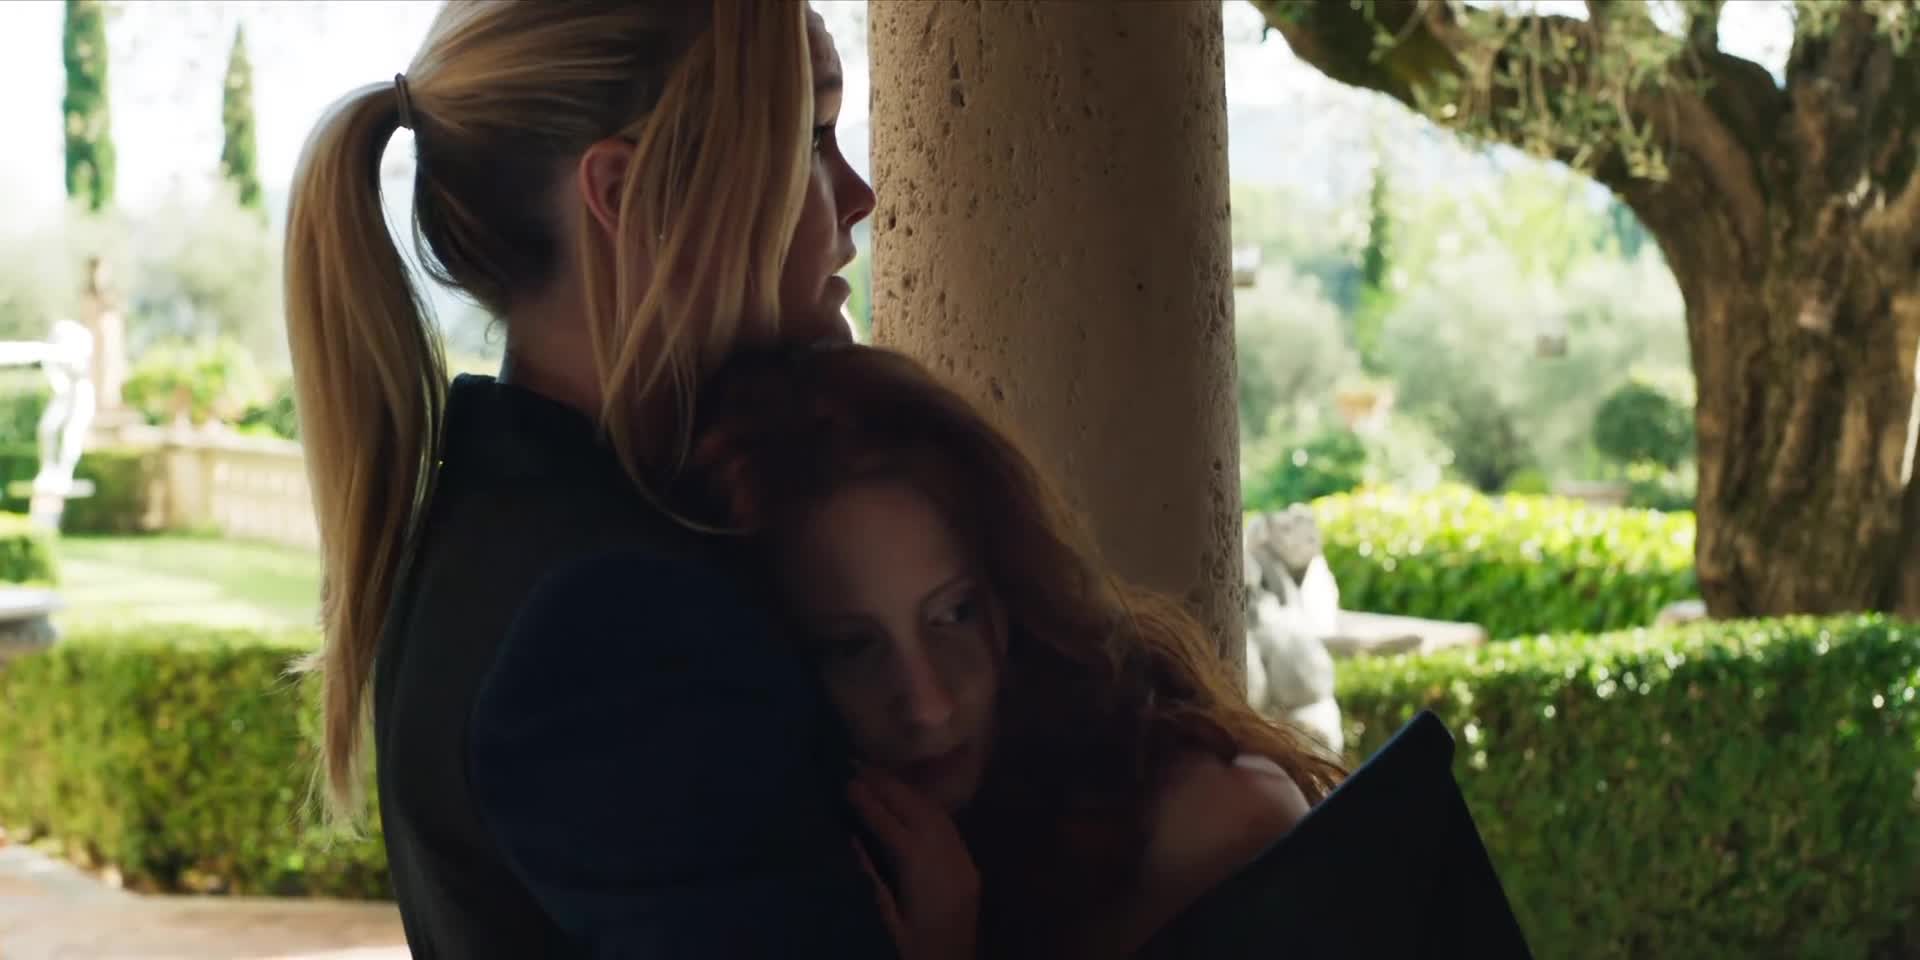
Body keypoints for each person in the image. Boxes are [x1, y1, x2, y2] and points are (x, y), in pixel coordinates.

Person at [281, 2, 891, 956]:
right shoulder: (612, 624)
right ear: (628, 192)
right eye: (808, 139)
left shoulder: (521, 533)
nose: (859, 195)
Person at [683, 343, 1351, 959]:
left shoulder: (1205, 826)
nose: (928, 702)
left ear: (1014, 592)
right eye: (852, 648)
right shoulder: (779, 861)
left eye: (955, 613)